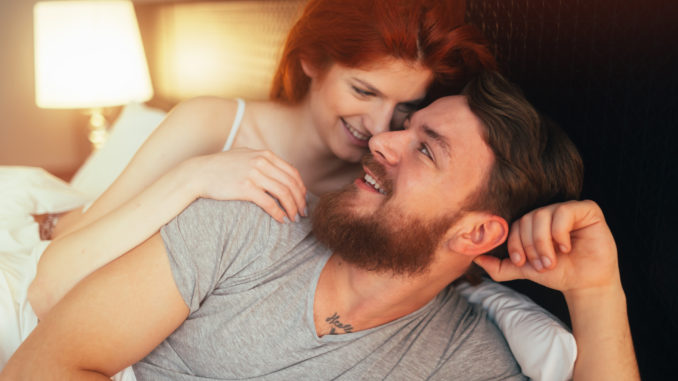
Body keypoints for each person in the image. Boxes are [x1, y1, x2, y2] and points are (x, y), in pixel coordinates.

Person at [1, 71, 639, 380]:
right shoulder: (247, 224)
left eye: (426, 149)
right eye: (403, 126)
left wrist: (597, 292)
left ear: (475, 235)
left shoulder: (462, 358)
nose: (382, 140)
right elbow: (41, 367)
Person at [27, 0, 495, 318]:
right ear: (312, 60)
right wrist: (195, 176)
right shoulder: (210, 125)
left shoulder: (379, 184)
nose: (379, 127)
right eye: (363, 90)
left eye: (404, 109)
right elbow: (50, 288)